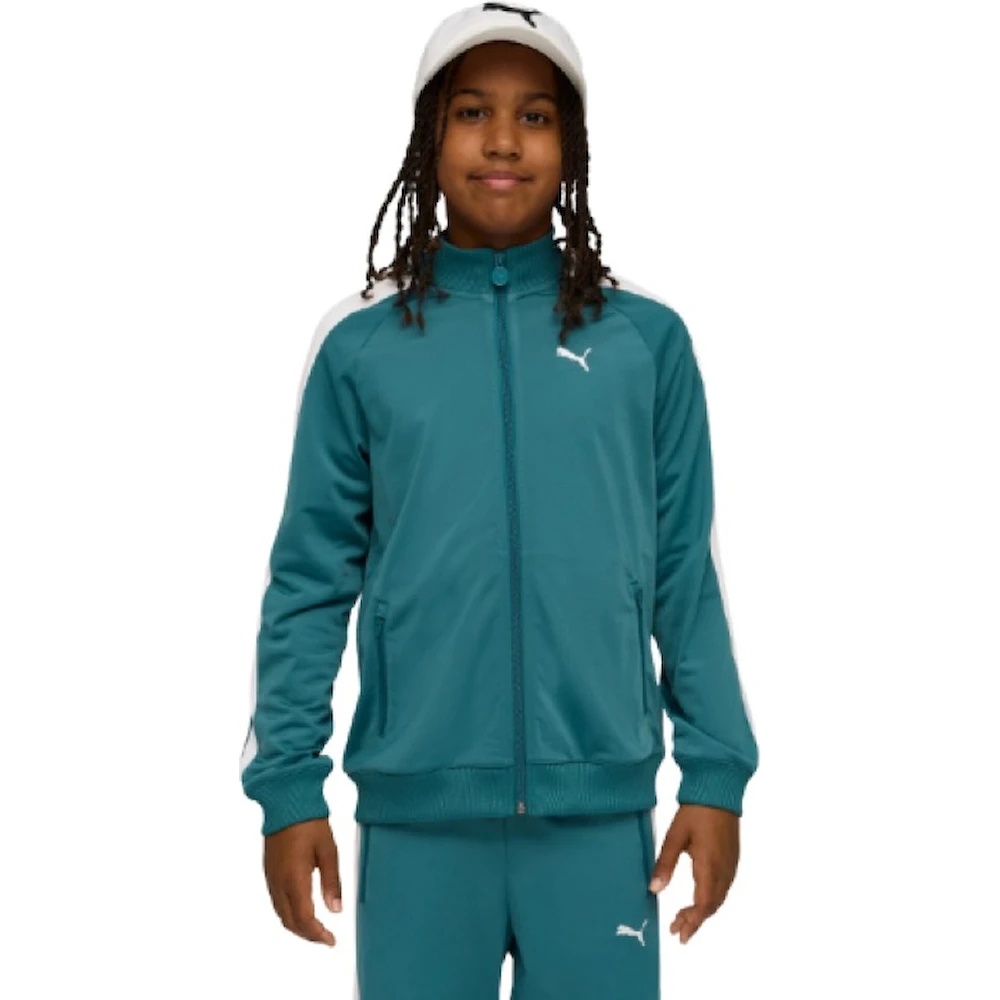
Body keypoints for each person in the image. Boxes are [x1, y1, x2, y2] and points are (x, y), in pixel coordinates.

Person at [238, 4, 759, 997]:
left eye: (535, 116)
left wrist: (716, 771)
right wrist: (289, 786)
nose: (504, 141)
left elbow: (684, 571)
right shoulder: (362, 345)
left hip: (600, 815)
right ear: (428, 138)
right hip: (417, 820)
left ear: (572, 146)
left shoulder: (644, 342)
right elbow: (308, 580)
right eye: (473, 111)